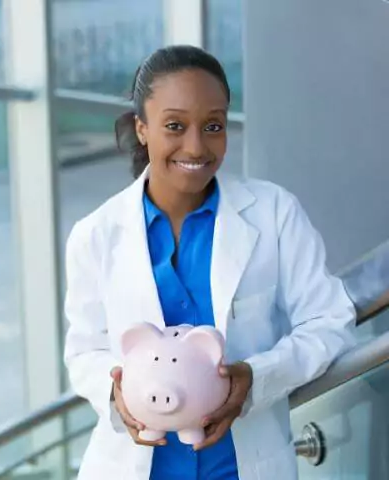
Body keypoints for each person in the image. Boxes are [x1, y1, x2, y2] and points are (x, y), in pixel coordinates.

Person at [63, 45, 356, 480]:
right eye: (175, 126)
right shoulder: (96, 234)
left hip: (242, 465)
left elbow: (331, 320)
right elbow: (84, 349)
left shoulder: (274, 213)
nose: (196, 146)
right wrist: (116, 391)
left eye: (213, 125)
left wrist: (256, 378)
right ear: (143, 128)